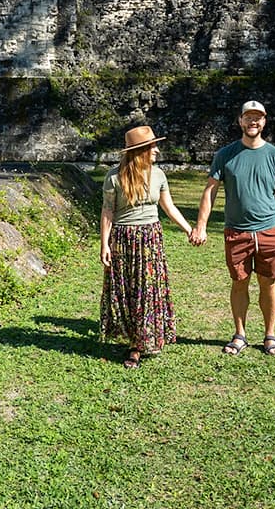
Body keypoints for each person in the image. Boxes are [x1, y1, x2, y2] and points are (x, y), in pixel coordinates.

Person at [189, 100, 275, 356]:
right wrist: (201, 226)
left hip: (268, 231)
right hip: (237, 231)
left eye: (258, 118)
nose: (253, 122)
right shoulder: (225, 155)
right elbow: (210, 191)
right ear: (240, 121)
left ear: (264, 122)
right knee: (239, 283)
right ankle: (240, 334)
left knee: (268, 283)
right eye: (248, 117)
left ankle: (270, 335)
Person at [100, 125, 193, 368]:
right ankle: (134, 344)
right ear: (140, 150)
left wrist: (189, 229)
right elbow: (108, 212)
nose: (157, 150)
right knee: (129, 289)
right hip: (123, 238)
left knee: (148, 288)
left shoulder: (158, 175)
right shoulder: (114, 176)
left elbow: (169, 207)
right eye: (152, 146)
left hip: (151, 237)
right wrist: (104, 245)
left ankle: (147, 337)